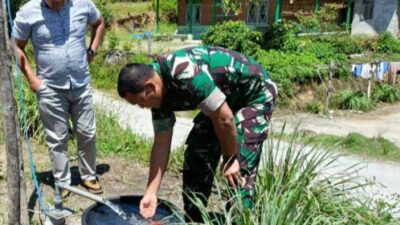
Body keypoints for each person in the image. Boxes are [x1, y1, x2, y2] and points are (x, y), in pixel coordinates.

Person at [117, 46, 277, 222]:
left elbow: (225, 119)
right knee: (197, 155)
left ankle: (241, 219)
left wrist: (231, 159)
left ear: (150, 87)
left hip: (253, 95)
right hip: (221, 103)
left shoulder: (184, 71)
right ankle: (195, 219)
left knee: (238, 173)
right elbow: (161, 143)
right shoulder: (157, 97)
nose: (142, 107)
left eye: (140, 102)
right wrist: (151, 192)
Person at [13, 0, 105, 197]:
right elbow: (16, 46)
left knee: (87, 133)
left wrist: (92, 51)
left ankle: (88, 174)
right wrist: (31, 79)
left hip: (81, 84)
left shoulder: (83, 5)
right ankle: (63, 182)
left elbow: (99, 23)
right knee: (57, 138)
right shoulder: (29, 12)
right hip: (50, 88)